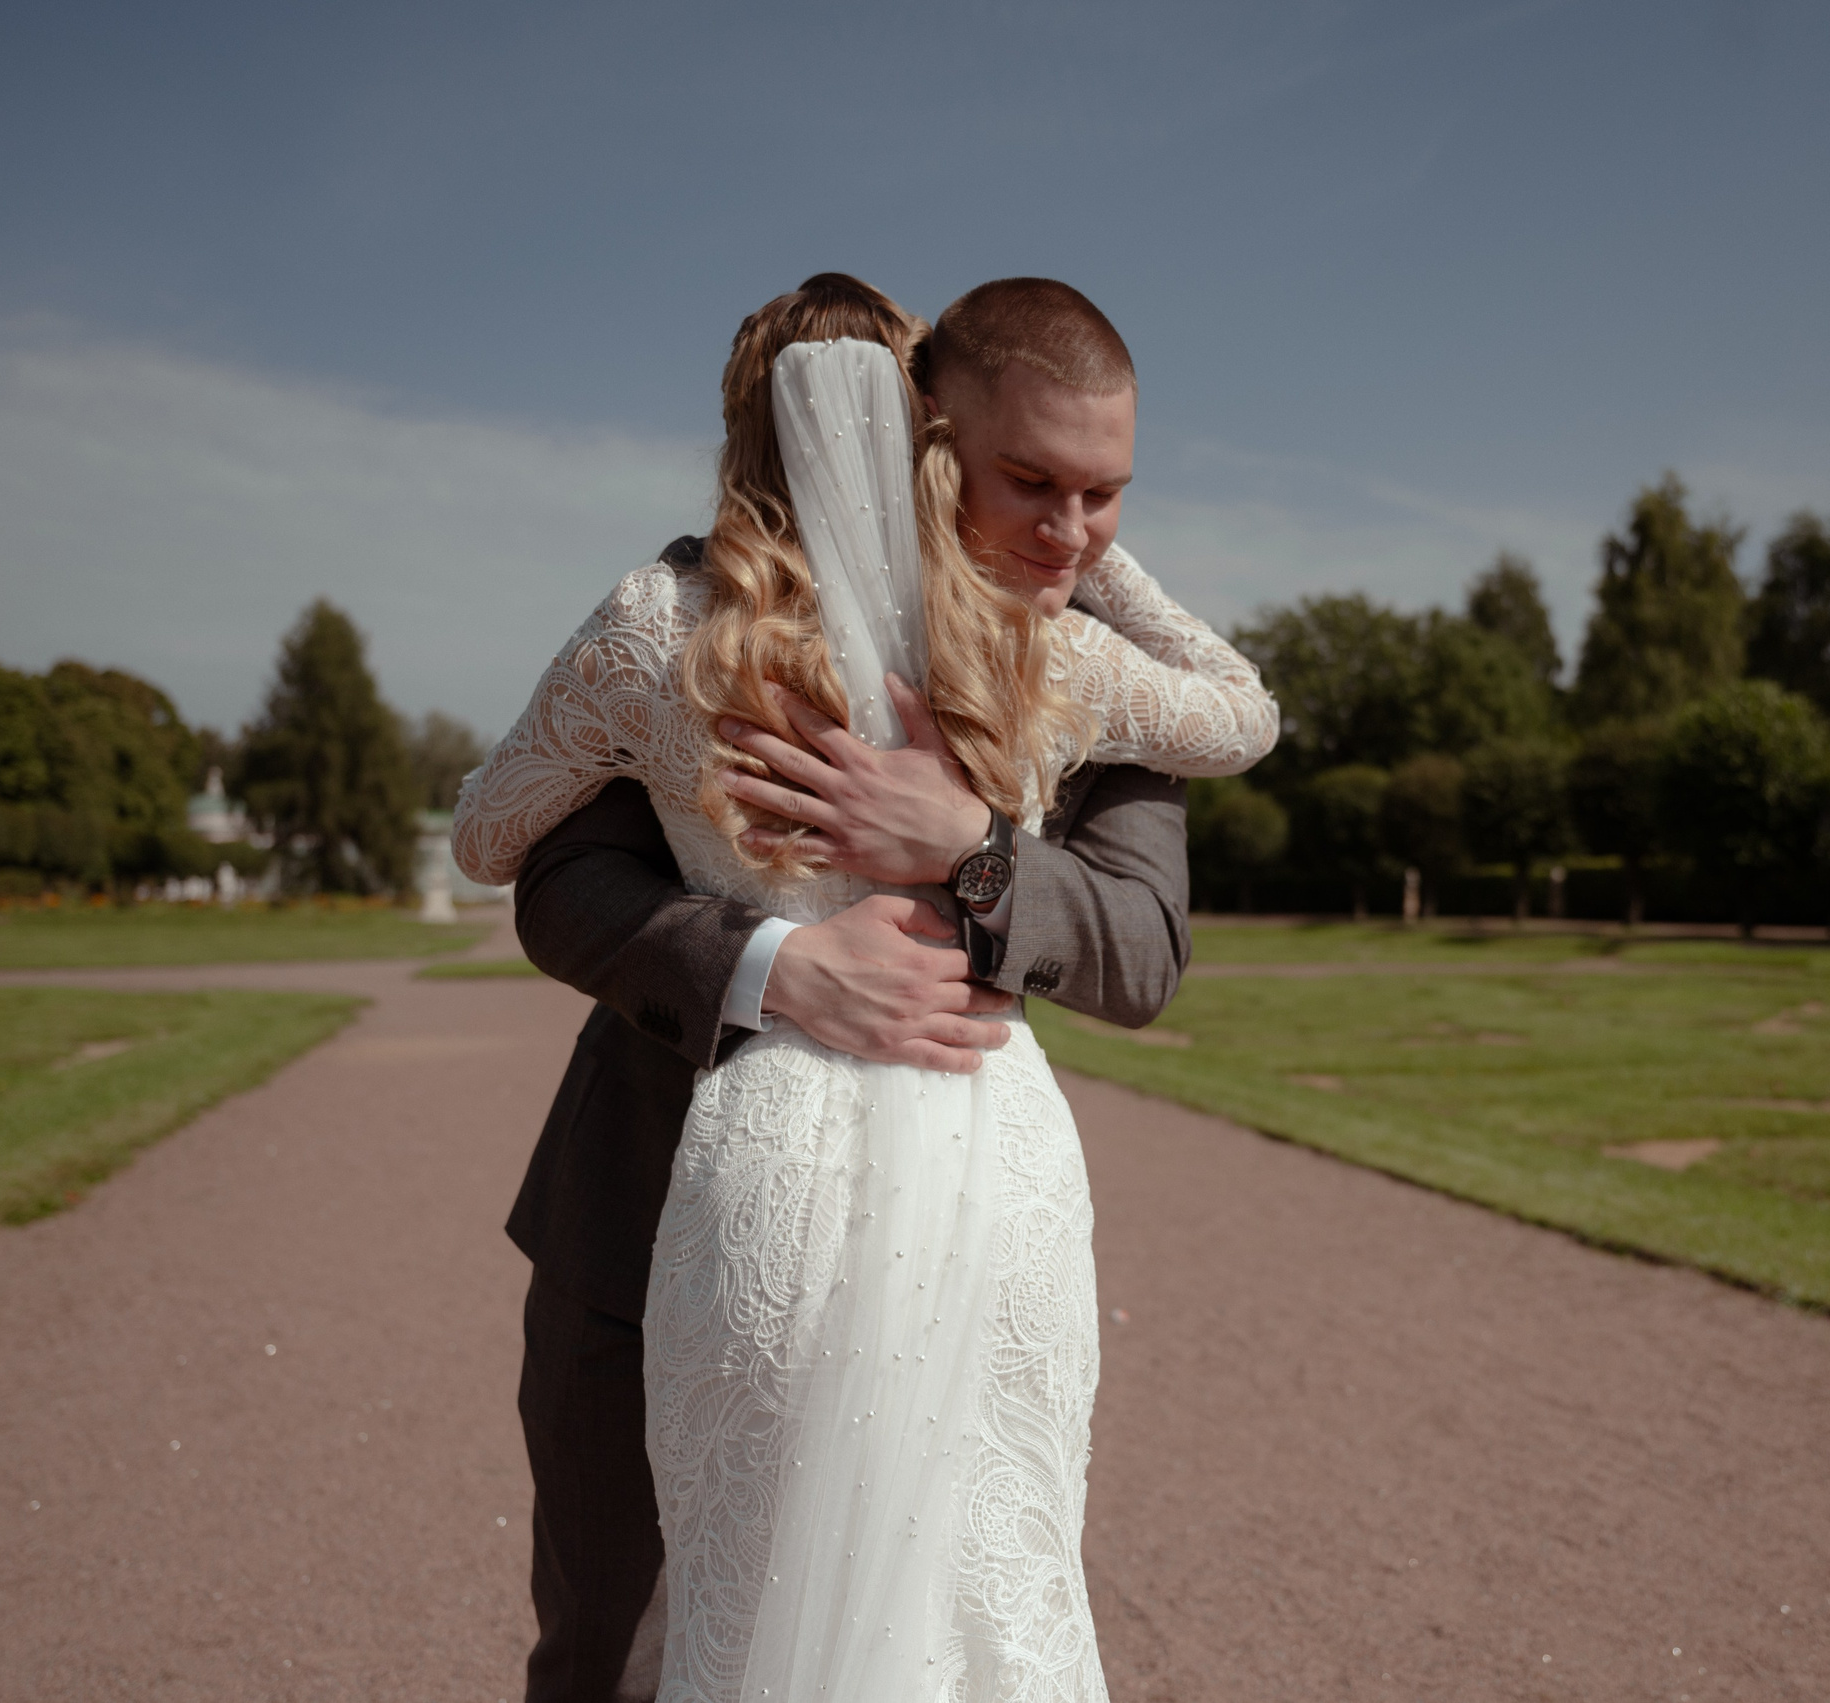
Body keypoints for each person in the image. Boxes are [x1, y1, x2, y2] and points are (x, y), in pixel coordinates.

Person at [454, 274, 1274, 1702]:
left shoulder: (1029, 634)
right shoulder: (1043, 659)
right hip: (643, 1199)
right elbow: (558, 884)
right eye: (1035, 483)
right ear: (932, 438)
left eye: (1108, 495)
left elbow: (1141, 951)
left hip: (941, 1197)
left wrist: (974, 850)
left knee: (943, 1602)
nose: (1071, 530)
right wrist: (772, 966)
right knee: (614, 1642)